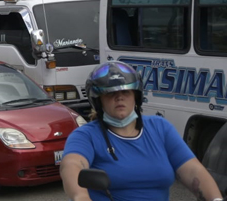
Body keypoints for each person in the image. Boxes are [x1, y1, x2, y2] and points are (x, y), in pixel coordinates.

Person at [60, 61, 222, 201]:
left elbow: (193, 170)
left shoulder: (160, 127)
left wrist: (215, 199)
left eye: (126, 92)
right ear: (98, 100)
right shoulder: (86, 135)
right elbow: (72, 165)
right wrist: (81, 196)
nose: (119, 98)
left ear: (136, 96)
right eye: (111, 94)